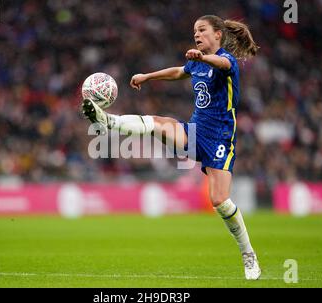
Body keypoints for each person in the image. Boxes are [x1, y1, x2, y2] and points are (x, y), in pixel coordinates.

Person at [82, 15, 261, 280]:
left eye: (202, 30)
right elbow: (179, 72)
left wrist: (201, 59)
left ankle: (248, 254)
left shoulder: (226, 61)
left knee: (220, 201)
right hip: (195, 132)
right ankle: (109, 121)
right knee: (160, 123)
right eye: (194, 31)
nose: (197, 35)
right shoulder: (196, 62)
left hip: (221, 139)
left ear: (218, 35)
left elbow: (222, 63)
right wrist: (148, 76)